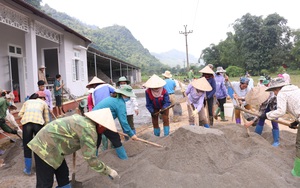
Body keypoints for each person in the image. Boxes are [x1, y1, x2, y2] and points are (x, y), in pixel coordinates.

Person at [27, 108, 119, 188]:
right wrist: (108, 171)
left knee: (63, 175)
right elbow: (91, 159)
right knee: (45, 182)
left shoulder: (83, 120)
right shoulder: (89, 130)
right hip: (45, 147)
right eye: (105, 128)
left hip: (55, 148)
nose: (105, 131)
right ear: (100, 125)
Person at [259, 77, 300, 177]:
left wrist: (266, 115)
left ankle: (297, 172)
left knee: (299, 144)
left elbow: (281, 111)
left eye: (274, 91)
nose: (275, 93)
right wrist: (296, 121)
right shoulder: (296, 89)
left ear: (277, 89)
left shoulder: (281, 93)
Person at [93, 85, 138, 159]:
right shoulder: (120, 103)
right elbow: (123, 121)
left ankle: (94, 159)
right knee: (115, 138)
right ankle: (124, 159)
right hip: (101, 120)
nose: (129, 98)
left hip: (94, 118)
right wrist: (131, 134)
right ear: (124, 95)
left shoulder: (111, 98)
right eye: (128, 96)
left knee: (97, 140)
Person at [18, 91, 49, 175]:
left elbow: (19, 114)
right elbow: (46, 118)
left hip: (27, 123)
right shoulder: (43, 103)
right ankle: (40, 167)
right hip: (38, 123)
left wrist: (26, 118)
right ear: (42, 98)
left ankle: (28, 169)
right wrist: (46, 127)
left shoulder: (27, 102)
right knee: (39, 145)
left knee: (27, 146)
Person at [244, 79, 280, 146]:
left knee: (274, 122)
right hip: (267, 106)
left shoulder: (271, 97)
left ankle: (276, 141)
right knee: (261, 119)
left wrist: (251, 122)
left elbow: (261, 112)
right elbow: (261, 112)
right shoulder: (264, 92)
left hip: (275, 109)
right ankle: (257, 135)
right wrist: (241, 98)